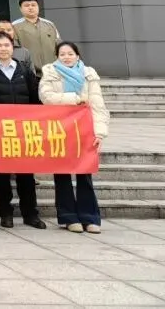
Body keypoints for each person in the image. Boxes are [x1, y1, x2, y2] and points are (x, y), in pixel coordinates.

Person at [39, 41, 109, 234]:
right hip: (60, 128)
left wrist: (100, 133)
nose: (66, 57)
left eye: (70, 53)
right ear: (57, 57)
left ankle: (90, 217)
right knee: (62, 174)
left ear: (77, 56)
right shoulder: (50, 72)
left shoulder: (89, 74)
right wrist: (75, 99)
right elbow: (47, 98)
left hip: (84, 129)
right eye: (62, 54)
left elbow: (98, 105)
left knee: (85, 173)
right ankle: (68, 217)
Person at [0, 31, 47, 229]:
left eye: (6, 45)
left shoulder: (23, 69)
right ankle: (5, 213)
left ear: (13, 47)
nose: (3, 49)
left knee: (26, 174)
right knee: (0, 175)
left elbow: (34, 97)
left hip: (23, 129)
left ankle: (30, 214)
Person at [13, 0, 61, 75]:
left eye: (33, 5)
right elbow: (15, 51)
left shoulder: (50, 24)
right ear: (20, 8)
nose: (30, 7)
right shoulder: (14, 26)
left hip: (53, 72)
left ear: (38, 7)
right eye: (26, 5)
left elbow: (59, 46)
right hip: (30, 73)